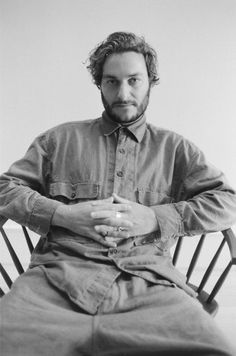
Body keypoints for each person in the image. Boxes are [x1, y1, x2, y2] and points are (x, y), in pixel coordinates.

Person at [0, 31, 236, 356]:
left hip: (150, 285)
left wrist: (155, 218)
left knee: (214, 349)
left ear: (150, 81)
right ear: (99, 84)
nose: (123, 93)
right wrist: (62, 215)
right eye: (111, 82)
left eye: (134, 80)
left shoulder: (175, 148)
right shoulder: (58, 140)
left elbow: (227, 201)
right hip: (55, 281)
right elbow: (4, 189)